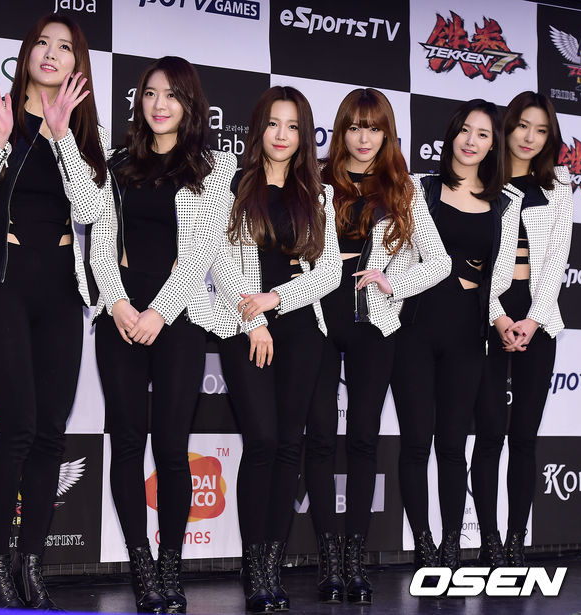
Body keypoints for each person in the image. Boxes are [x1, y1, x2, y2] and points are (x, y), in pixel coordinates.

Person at [0, 13, 108, 610]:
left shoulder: (86, 132)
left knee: (49, 434)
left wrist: (62, 137)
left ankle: (31, 565)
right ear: (27, 54)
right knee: (17, 428)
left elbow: (91, 212)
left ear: (77, 64)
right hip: (5, 284)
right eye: (42, 42)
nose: (50, 52)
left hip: (62, 292)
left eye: (64, 46)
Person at [90, 56, 236, 614]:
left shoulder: (214, 168)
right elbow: (101, 242)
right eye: (150, 93)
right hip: (120, 315)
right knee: (127, 441)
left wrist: (160, 312)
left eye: (172, 94)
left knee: (172, 447)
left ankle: (170, 563)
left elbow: (203, 250)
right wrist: (119, 303)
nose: (159, 104)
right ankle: (142, 566)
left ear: (190, 104)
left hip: (180, 317)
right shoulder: (116, 163)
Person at [303, 88, 450, 604]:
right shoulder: (315, 178)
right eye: (354, 127)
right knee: (321, 438)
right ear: (341, 130)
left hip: (376, 323)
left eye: (374, 128)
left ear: (387, 134)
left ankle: (354, 560)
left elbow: (440, 262)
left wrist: (394, 282)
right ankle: (328, 562)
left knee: (364, 438)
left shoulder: (402, 188)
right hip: (317, 316)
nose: (364, 138)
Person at [211, 85, 342, 612]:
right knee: (262, 441)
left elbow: (329, 273)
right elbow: (214, 256)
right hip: (245, 325)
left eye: (292, 126)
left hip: (302, 327)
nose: (282, 135)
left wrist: (278, 299)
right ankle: (252, 564)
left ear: (304, 134)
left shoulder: (318, 193)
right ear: (258, 129)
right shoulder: (230, 180)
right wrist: (257, 317)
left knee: (289, 445)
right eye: (273, 123)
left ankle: (271, 566)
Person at [391, 99, 522, 576]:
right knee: (414, 443)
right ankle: (424, 545)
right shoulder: (420, 188)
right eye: (465, 130)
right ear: (451, 134)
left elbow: (498, 276)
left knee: (452, 444)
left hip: (468, 332)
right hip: (415, 327)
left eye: (483, 134)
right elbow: (403, 255)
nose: (471, 141)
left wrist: (497, 315)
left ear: (493, 145)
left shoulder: (506, 202)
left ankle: (451, 546)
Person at [471, 92, 572, 568]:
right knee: (490, 433)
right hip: (488, 317)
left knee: (525, 437)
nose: (530, 137)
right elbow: (473, 262)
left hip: (539, 318)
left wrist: (533, 319)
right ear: (507, 127)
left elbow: (556, 259)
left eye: (541, 130)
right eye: (522, 126)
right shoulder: (481, 181)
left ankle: (515, 541)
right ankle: (489, 540)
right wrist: (498, 317)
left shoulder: (559, 185)